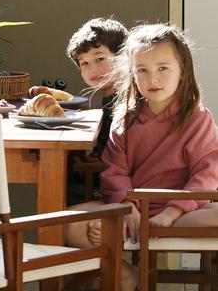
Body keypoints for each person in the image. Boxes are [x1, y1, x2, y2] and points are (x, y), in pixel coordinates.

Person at [65, 24, 218, 291]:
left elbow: (206, 174)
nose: (152, 79)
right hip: (131, 213)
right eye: (142, 71)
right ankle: (125, 275)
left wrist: (172, 212)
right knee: (64, 224)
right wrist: (127, 207)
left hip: (181, 212)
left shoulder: (198, 117)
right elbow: (114, 171)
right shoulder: (125, 118)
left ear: (182, 71)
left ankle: (153, 228)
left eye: (163, 68)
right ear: (132, 74)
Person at [65, 17, 128, 204]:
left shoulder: (128, 101)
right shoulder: (110, 98)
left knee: (64, 187)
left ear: (123, 56)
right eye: (84, 63)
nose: (93, 69)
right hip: (106, 170)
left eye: (100, 58)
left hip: (123, 184)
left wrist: (102, 163)